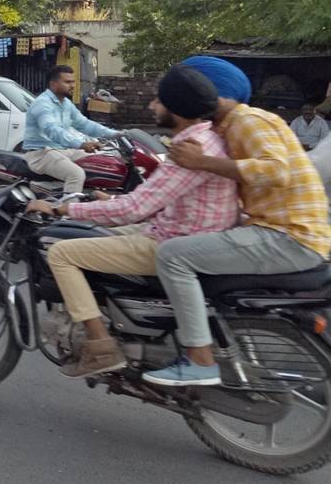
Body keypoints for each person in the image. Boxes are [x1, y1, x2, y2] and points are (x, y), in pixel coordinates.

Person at [26, 66, 238, 377]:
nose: (152, 106)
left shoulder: (188, 150)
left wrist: (61, 210)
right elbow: (149, 202)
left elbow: (135, 207)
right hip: (179, 228)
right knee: (96, 230)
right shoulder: (206, 139)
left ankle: (100, 346)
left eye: (158, 101)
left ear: (177, 109)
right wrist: (110, 200)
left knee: (61, 253)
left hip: (170, 240)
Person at [145, 56, 331, 387]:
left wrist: (202, 162)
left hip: (290, 237)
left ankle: (199, 361)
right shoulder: (227, 127)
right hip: (281, 231)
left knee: (172, 255)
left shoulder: (247, 121)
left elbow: (276, 170)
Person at [22, 65, 119, 195]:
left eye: (73, 82)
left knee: (102, 162)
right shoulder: (42, 103)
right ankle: (68, 212)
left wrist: (117, 134)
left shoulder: (66, 103)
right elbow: (52, 129)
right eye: (67, 82)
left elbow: (85, 124)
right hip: (41, 153)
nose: (72, 85)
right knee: (76, 174)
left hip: (63, 150)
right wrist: (81, 144)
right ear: (53, 84)